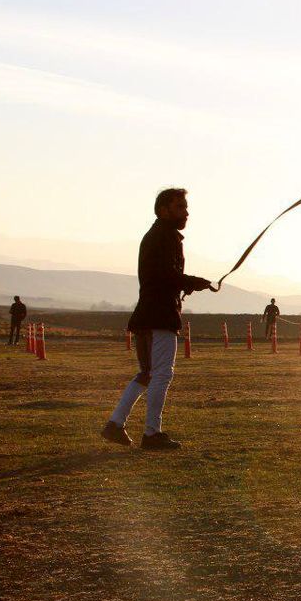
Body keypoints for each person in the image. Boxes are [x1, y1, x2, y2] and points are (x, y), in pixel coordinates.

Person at [101, 188, 214, 450]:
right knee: (161, 375)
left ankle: (115, 424)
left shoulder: (158, 236)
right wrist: (192, 282)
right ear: (163, 210)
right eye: (180, 207)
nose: (186, 212)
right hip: (160, 316)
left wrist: (187, 283)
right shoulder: (165, 237)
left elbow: (162, 277)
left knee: (148, 374)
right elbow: (165, 276)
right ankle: (152, 434)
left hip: (148, 314)